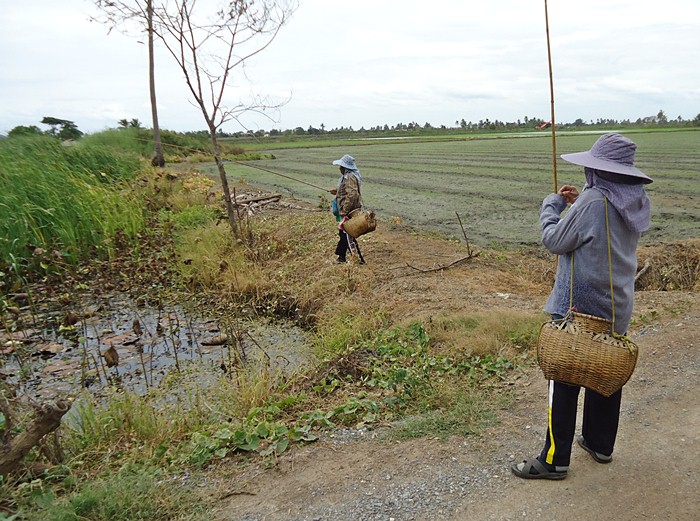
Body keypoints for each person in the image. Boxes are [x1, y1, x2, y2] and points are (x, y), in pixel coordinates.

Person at [512, 133, 653, 480]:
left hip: (580, 305)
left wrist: (552, 205)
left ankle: (553, 459)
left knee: (565, 373)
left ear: (599, 170)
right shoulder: (634, 201)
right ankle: (599, 443)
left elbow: (554, 240)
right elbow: (597, 226)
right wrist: (578, 205)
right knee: (605, 370)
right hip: (617, 303)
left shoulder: (593, 201)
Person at [329, 154, 365, 264]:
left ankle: (358, 260)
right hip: (348, 210)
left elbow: (352, 194)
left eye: (341, 166)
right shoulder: (348, 177)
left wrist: (345, 210)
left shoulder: (349, 177)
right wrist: (338, 191)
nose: (339, 168)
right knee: (344, 234)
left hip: (349, 211)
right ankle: (341, 257)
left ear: (345, 167)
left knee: (347, 236)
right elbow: (348, 191)